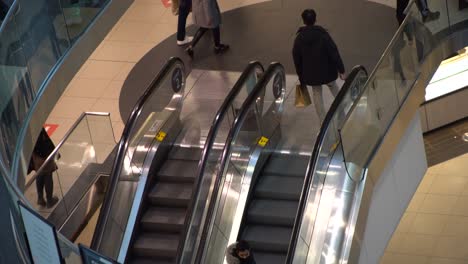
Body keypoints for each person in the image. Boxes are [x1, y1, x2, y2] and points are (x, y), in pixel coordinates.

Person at [292, 9, 346, 123]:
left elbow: (297, 59)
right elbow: (333, 52)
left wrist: (301, 77)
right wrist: (341, 70)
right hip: (327, 71)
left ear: (303, 21)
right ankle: (342, 113)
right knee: (333, 87)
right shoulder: (323, 34)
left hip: (312, 75)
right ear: (315, 19)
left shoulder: (299, 38)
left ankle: (323, 123)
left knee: (317, 94)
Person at [28, 128, 59, 208]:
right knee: (48, 175)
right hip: (44, 155)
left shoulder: (28, 130)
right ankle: (49, 200)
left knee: (39, 173)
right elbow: (45, 142)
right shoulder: (36, 127)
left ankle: (40, 198)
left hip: (35, 155)